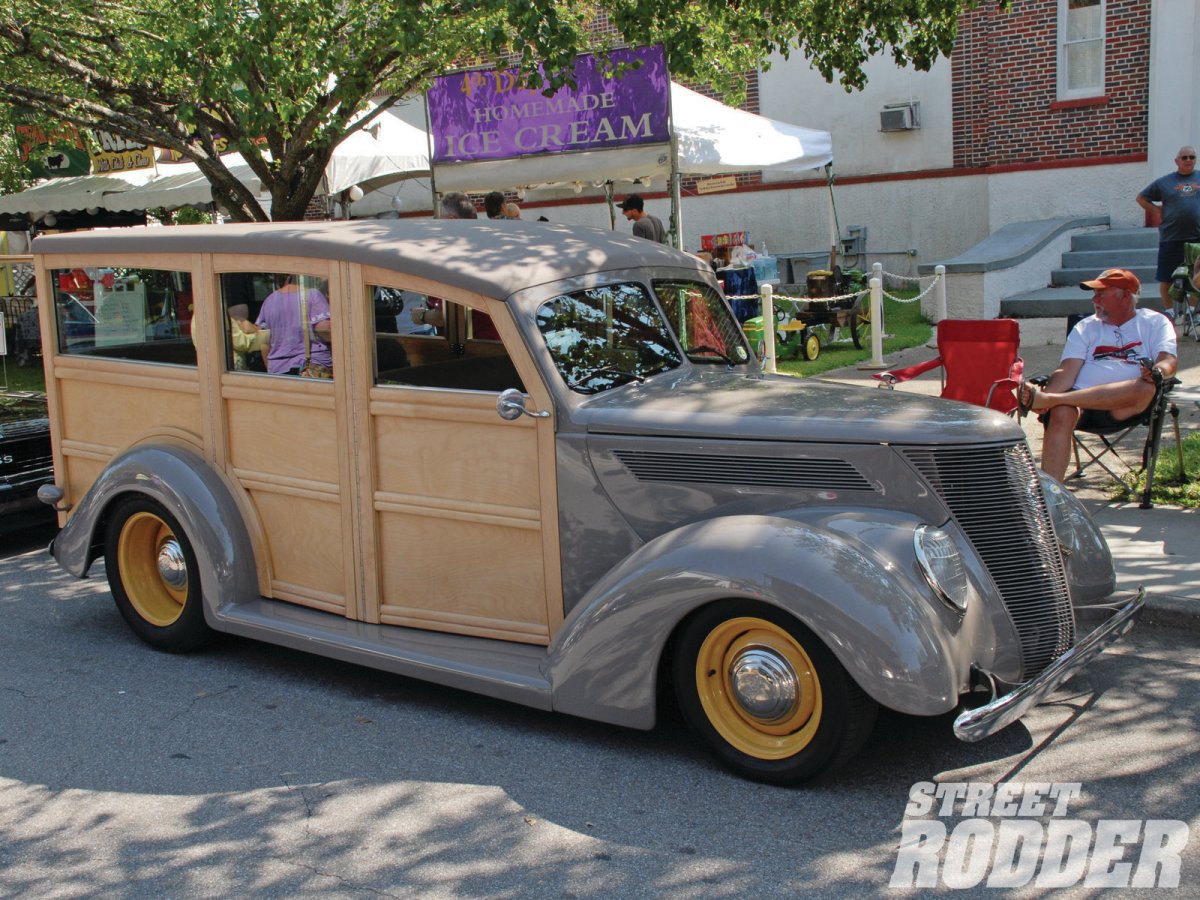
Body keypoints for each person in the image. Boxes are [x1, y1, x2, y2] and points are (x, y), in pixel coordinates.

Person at [1019, 268, 1177, 482]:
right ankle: (1051, 493)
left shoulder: (1155, 322)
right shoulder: (1086, 326)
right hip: (1080, 408)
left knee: (1146, 387)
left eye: (1101, 294)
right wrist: (1047, 397)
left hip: (1125, 407)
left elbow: (1168, 360)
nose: (1094, 299)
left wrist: (1156, 372)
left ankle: (1053, 399)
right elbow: (1067, 370)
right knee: (1062, 412)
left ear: (1125, 296)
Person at [413, 192, 500, 340]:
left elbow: (446, 315)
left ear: (452, 220)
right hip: (502, 341)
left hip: (476, 349)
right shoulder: (491, 246)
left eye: (440, 219)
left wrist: (421, 316)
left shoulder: (456, 257)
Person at [1136, 146, 1200, 323]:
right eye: (1184, 157)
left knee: (1197, 276)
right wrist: (1156, 210)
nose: (1188, 160)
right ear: (1177, 161)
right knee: (1166, 277)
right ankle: (1170, 311)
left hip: (1197, 238)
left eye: (1192, 157)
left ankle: (1192, 312)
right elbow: (1141, 198)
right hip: (1171, 237)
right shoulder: (1165, 182)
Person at [255, 276, 333, 376]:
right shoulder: (313, 294)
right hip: (312, 367)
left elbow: (263, 342)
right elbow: (324, 330)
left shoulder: (269, 300)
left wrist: (271, 370)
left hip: (278, 370)